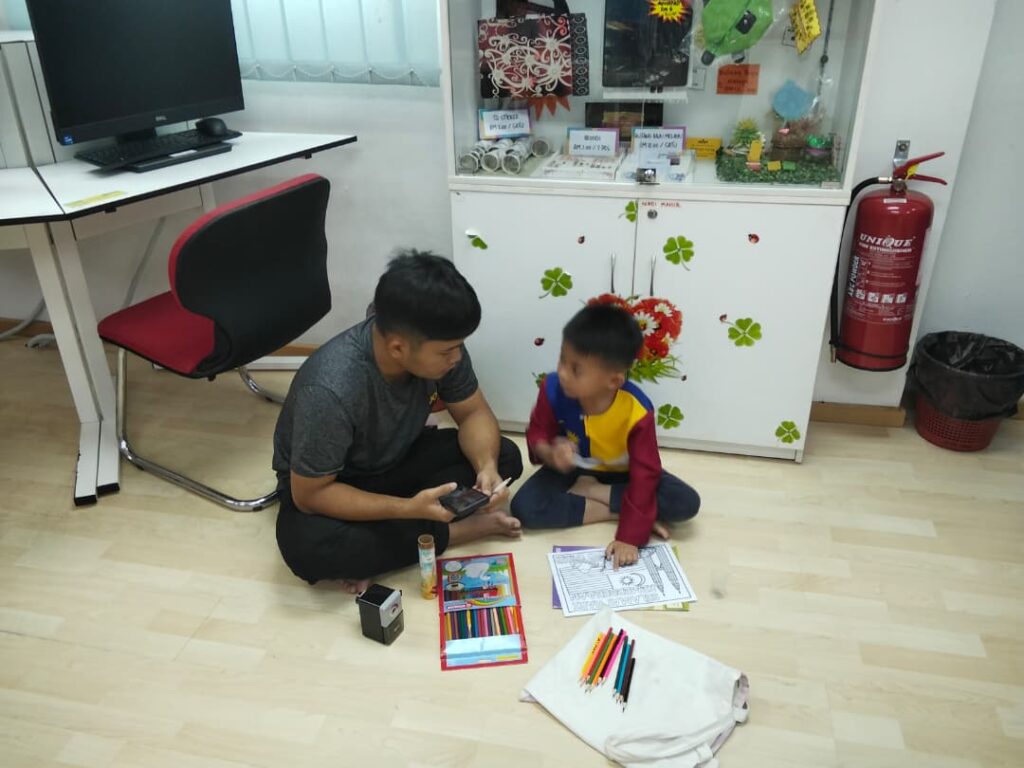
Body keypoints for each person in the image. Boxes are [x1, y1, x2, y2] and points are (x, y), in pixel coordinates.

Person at [273, 251, 523, 592]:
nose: (457, 357)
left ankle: (389, 546)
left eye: (459, 346)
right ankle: (453, 532)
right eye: (447, 351)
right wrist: (407, 508)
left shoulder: (439, 344)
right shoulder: (330, 388)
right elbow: (310, 495)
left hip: (397, 457)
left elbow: (473, 413)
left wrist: (486, 468)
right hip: (335, 483)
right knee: (307, 548)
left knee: (505, 456)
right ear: (397, 348)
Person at [510, 303, 700, 568]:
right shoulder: (553, 388)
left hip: (624, 474)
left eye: (576, 369)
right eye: (562, 360)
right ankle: (616, 511)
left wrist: (629, 537)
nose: (562, 373)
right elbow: (538, 432)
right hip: (573, 469)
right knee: (524, 508)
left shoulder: (636, 411)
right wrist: (551, 454)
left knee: (685, 502)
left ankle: (594, 491)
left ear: (613, 381)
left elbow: (645, 474)